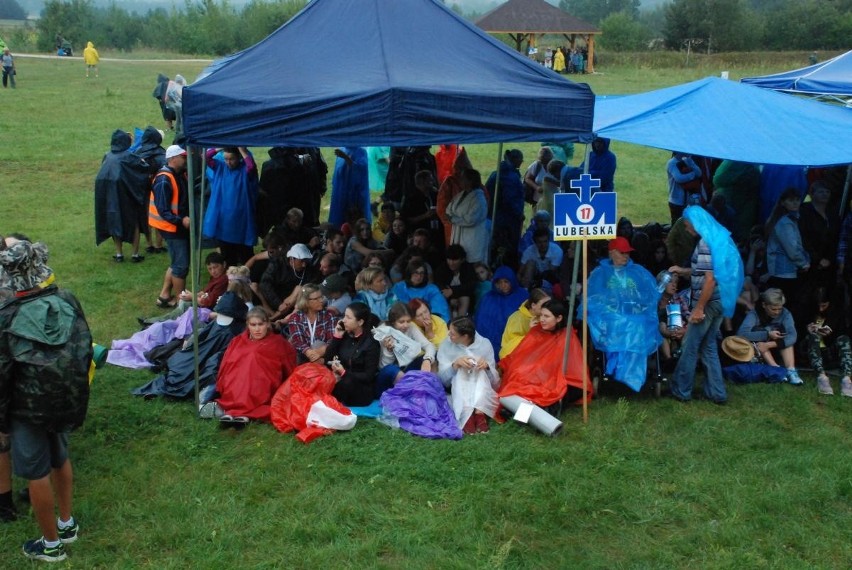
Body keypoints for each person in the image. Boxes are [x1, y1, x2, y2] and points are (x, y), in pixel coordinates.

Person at [0, 240, 92, 562]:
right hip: (63, 398)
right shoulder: (65, 298)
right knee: (59, 457)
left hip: (26, 408)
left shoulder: (7, 314)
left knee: (35, 472)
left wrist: (1, 423)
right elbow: (84, 345)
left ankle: (51, 545)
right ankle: (67, 524)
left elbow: (2, 373)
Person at [668, 206, 744, 404]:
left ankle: (681, 390)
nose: (686, 230)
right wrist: (684, 271)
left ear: (696, 223)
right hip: (722, 300)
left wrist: (699, 308)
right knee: (708, 345)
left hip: (708, 301)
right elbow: (707, 271)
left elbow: (710, 279)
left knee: (690, 346)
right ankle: (717, 392)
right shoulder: (720, 237)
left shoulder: (705, 243)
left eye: (686, 225)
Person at [584, 237, 661, 391]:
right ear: (611, 253)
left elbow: (650, 293)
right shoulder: (599, 274)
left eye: (627, 253)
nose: (626, 256)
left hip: (634, 316)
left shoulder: (638, 272)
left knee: (638, 324)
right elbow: (592, 298)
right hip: (610, 317)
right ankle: (621, 369)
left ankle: (630, 372)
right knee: (623, 324)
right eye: (622, 252)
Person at [498, 299, 590, 411]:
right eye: (541, 315)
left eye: (546, 316)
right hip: (536, 375)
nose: (542, 319)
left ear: (559, 318)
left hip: (555, 378)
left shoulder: (566, 337)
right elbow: (522, 353)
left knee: (543, 394)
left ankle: (522, 415)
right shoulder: (536, 331)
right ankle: (517, 411)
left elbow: (558, 366)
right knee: (519, 378)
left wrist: (535, 372)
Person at [210, 307, 297, 422]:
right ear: (248, 325)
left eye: (260, 324)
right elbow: (226, 364)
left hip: (262, 384)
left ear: (267, 324)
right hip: (235, 383)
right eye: (253, 325)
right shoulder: (237, 341)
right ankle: (237, 408)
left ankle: (238, 410)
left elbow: (289, 366)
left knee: (252, 364)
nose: (257, 329)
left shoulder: (278, 342)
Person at [95, 130, 153, 263]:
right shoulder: (129, 157)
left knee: (114, 222)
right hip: (126, 195)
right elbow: (144, 169)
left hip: (108, 196)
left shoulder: (107, 156)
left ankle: (119, 253)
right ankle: (135, 254)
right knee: (134, 223)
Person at [437, 316, 500, 434]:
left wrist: (486, 367)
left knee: (479, 370)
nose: (448, 335)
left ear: (465, 336)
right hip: (454, 386)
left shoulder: (484, 344)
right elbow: (442, 379)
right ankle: (466, 412)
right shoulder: (446, 344)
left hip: (480, 386)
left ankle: (478, 412)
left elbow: (494, 381)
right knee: (462, 370)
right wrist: (455, 365)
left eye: (452, 334)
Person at [149, 145, 190, 308]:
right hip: (172, 228)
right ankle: (182, 301)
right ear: (173, 158)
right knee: (181, 265)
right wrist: (181, 221)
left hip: (173, 226)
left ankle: (164, 295)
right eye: (183, 157)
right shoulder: (164, 179)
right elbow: (163, 209)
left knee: (176, 262)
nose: (186, 159)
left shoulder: (177, 174)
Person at [204, 147, 258, 266]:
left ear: (238, 158)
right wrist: (221, 147)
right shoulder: (220, 167)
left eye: (232, 159)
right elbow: (206, 157)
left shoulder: (244, 170)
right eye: (226, 159)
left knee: (245, 254)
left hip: (241, 218)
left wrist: (242, 150)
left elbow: (251, 166)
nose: (228, 162)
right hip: (224, 220)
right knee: (228, 257)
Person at [736, 289, 803, 385]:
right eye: (773, 309)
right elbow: (741, 334)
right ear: (764, 305)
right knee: (761, 343)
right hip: (759, 349)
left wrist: (770, 344)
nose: (777, 312)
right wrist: (767, 334)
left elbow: (793, 335)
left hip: (775, 347)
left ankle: (791, 370)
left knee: (787, 339)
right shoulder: (754, 314)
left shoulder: (785, 313)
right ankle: (776, 370)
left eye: (779, 309)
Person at [765, 188, 810, 318]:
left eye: (797, 200)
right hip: (784, 271)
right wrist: (804, 263)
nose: (795, 203)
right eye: (791, 200)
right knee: (783, 308)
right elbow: (792, 249)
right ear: (783, 202)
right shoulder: (785, 222)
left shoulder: (789, 220)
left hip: (786, 270)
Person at [326, 302, 381, 406]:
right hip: (341, 379)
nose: (343, 320)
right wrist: (337, 337)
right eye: (344, 316)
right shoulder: (345, 335)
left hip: (360, 389)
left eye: (348, 317)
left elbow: (368, 376)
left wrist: (344, 373)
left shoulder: (371, 344)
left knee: (345, 383)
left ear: (360, 322)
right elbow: (327, 360)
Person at [375, 302, 436, 394]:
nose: (405, 325)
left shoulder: (410, 327)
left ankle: (432, 388)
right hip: (387, 378)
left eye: (408, 321)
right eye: (401, 322)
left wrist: (427, 360)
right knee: (392, 369)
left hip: (406, 369)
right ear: (393, 321)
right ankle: (413, 393)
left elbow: (428, 345)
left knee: (431, 357)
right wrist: (389, 351)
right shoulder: (384, 331)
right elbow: (383, 367)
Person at [801, 287, 852, 396]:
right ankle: (821, 376)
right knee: (813, 337)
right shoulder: (806, 313)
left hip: (829, 351)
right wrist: (807, 330)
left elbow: (842, 333)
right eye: (818, 306)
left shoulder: (836, 314)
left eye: (824, 306)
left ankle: (846, 378)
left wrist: (830, 334)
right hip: (811, 352)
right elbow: (796, 336)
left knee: (844, 339)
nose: (820, 309)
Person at [474, 266, 528, 358]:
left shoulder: (523, 296)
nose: (503, 285)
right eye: (499, 282)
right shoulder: (488, 298)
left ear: (512, 281)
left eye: (506, 282)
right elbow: (480, 322)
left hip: (513, 341)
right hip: (491, 342)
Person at [486, 149, 525, 264]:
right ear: (516, 160)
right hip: (506, 220)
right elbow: (510, 200)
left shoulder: (497, 173)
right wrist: (519, 214)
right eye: (521, 160)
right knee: (506, 248)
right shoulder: (510, 177)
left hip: (494, 216)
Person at [260, 243, 318, 320]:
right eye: (301, 261)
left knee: (299, 289)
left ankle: (274, 319)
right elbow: (265, 284)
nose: (304, 265)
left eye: (305, 261)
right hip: (273, 298)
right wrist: (278, 304)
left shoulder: (309, 269)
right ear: (292, 259)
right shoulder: (277, 264)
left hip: (292, 303)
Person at [445, 168, 489, 264]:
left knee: (470, 264)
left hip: (471, 238)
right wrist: (455, 217)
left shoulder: (479, 199)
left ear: (470, 181)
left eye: (462, 178)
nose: (460, 180)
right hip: (457, 235)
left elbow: (471, 219)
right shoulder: (460, 195)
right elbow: (449, 209)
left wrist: (453, 218)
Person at [284, 284, 336, 364]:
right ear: (306, 301)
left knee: (319, 344)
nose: (321, 300)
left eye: (321, 297)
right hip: (303, 357)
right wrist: (310, 353)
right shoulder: (295, 318)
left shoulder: (329, 315)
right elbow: (298, 340)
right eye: (316, 299)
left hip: (324, 356)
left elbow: (332, 339)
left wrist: (321, 351)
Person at [499, 288, 550, 360]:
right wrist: (531, 333)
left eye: (549, 304)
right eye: (544, 305)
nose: (548, 308)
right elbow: (511, 346)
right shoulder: (517, 319)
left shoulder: (542, 316)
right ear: (533, 305)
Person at [436, 148, 473, 245]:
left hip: (470, 226)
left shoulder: (476, 185)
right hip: (452, 225)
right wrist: (449, 221)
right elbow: (441, 206)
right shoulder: (449, 182)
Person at [330, 147, 370, 227]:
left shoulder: (361, 152)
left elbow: (360, 171)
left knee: (354, 217)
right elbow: (337, 173)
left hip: (355, 192)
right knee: (339, 216)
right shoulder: (342, 150)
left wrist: (346, 157)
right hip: (341, 191)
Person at [433, 244, 477, 319]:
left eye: (455, 260)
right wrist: (451, 298)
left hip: (464, 302)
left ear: (462, 260)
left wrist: (453, 291)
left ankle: (461, 323)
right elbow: (439, 285)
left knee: (465, 298)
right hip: (448, 300)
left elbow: (471, 286)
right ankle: (448, 323)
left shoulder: (468, 269)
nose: (451, 263)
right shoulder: (442, 269)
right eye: (449, 259)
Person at [666, 151, 703, 223]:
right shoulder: (671, 163)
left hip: (687, 200)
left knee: (686, 225)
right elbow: (679, 178)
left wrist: (690, 162)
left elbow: (699, 173)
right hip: (676, 201)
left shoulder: (687, 161)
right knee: (676, 225)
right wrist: (692, 174)